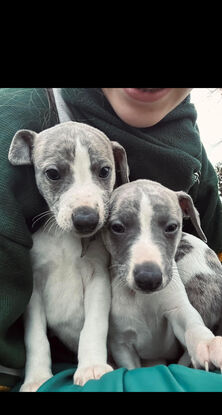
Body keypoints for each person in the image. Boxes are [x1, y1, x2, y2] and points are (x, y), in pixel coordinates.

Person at [0, 87, 221, 391]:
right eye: (53, 174)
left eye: (104, 172)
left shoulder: (195, 157)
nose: (87, 208)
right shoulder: (15, 112)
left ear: (119, 165)